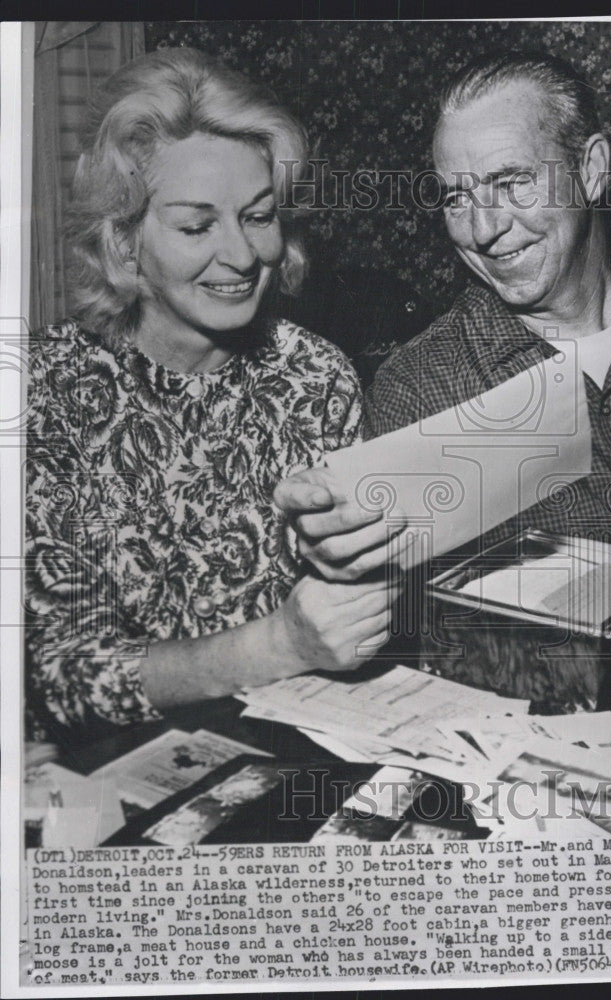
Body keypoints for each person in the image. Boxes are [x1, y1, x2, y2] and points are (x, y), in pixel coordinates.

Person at [25, 48, 400, 743]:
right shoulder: (40, 395)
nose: (240, 254)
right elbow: (64, 674)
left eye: (257, 216)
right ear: (122, 240)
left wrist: (370, 575)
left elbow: (358, 606)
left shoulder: (315, 376)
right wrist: (282, 643)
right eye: (197, 227)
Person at [275, 50, 611, 580]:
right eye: (457, 198)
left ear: (591, 171)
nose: (482, 230)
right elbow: (393, 602)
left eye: (511, 181)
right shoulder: (419, 391)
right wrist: (335, 549)